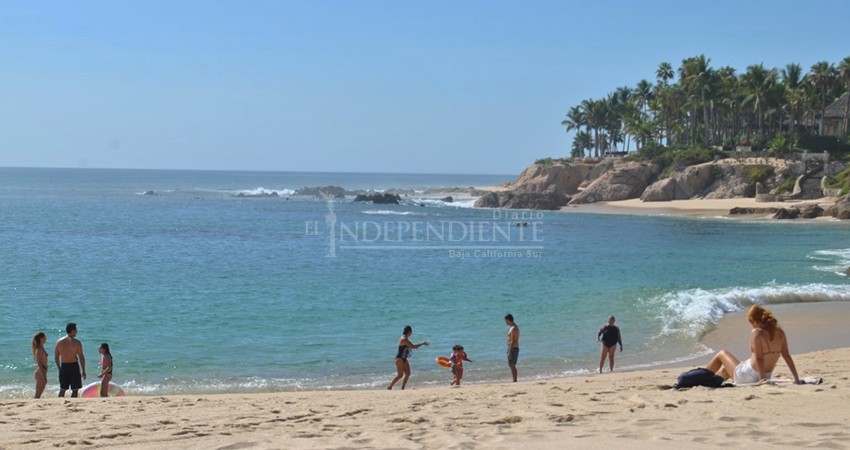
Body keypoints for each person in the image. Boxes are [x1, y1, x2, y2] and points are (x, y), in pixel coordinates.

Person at [706, 305, 800, 385]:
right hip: (766, 374)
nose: (751, 325)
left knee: (722, 353)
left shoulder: (757, 332)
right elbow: (787, 356)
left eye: (750, 322)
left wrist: (762, 380)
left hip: (749, 376)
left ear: (754, 320)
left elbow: (759, 358)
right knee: (725, 371)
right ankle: (710, 381)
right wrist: (796, 378)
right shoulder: (780, 332)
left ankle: (701, 376)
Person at [387, 325, 429, 390]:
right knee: (400, 375)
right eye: (411, 331)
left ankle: (402, 388)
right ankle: (390, 386)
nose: (411, 333)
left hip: (404, 358)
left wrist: (417, 346)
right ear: (409, 332)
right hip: (399, 359)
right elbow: (413, 346)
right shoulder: (403, 339)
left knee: (408, 373)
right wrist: (422, 344)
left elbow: (411, 347)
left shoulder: (405, 339)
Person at [54, 322, 86, 397]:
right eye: (76, 330)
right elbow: (81, 357)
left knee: (63, 389)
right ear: (72, 331)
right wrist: (83, 370)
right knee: (75, 389)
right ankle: (73, 403)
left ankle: (59, 404)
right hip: (74, 366)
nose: (77, 331)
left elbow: (56, 357)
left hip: (64, 365)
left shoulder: (59, 342)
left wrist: (59, 368)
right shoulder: (77, 342)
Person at [32, 332, 48, 398]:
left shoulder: (41, 348)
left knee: (39, 394)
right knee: (37, 395)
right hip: (40, 373)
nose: (46, 339)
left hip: (42, 372)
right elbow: (39, 364)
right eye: (44, 337)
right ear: (41, 339)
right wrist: (44, 376)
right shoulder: (39, 350)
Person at [505, 313, 520, 382]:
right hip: (512, 348)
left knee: (512, 365)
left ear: (508, 320)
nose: (505, 322)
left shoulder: (513, 328)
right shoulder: (512, 327)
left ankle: (515, 380)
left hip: (513, 348)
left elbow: (512, 341)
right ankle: (514, 379)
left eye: (506, 320)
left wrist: (510, 352)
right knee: (511, 365)